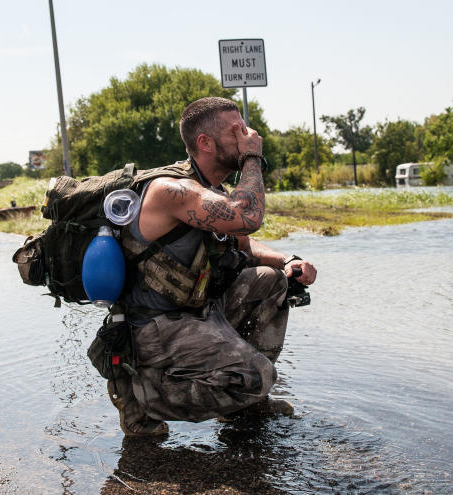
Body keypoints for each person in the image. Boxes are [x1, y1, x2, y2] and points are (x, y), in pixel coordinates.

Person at [91, 96, 318, 436]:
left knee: (271, 281)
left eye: (245, 130)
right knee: (259, 377)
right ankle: (141, 397)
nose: (247, 135)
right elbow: (247, 217)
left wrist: (287, 261)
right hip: (154, 328)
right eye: (236, 131)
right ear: (204, 143)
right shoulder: (173, 191)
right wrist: (253, 156)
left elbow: (242, 242)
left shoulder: (212, 190)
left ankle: (246, 405)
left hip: (196, 309)